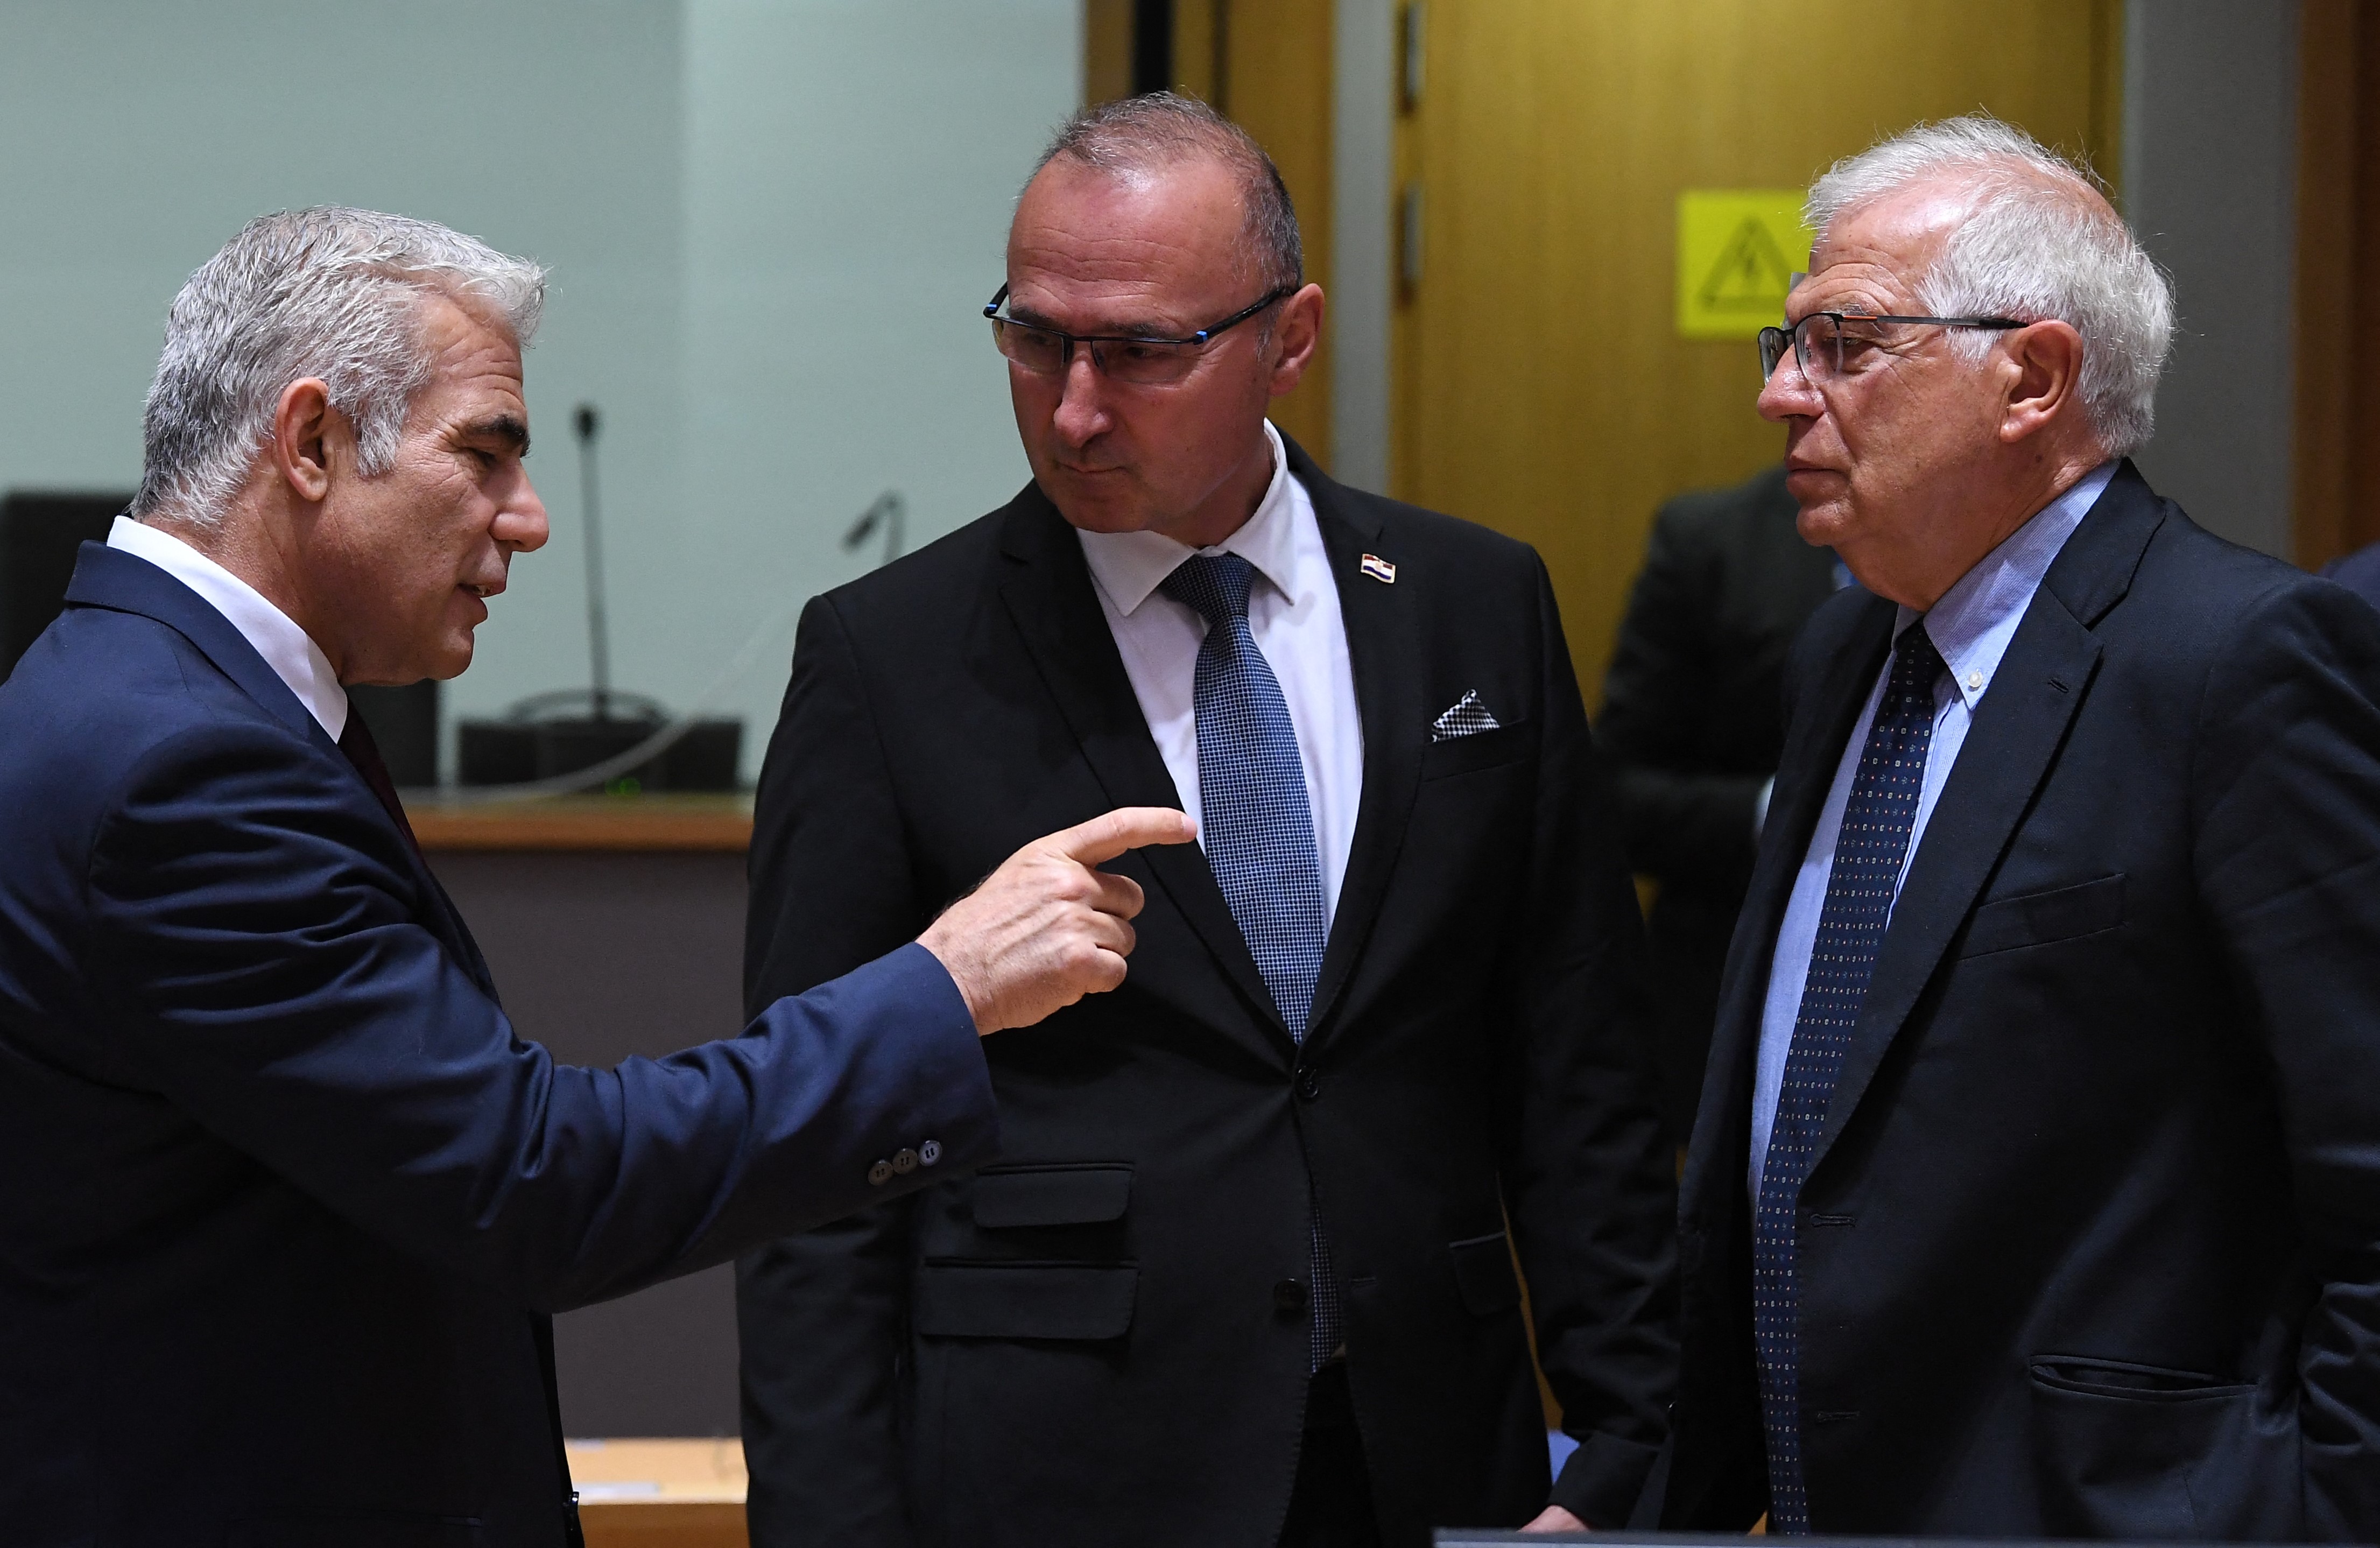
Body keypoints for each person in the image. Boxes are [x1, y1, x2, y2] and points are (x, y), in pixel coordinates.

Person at [0, 207, 1191, 1548]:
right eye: (483, 452)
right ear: (314, 442)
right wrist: (947, 984)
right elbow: (534, 1179)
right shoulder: (181, 766)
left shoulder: (132, 694)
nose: (529, 516)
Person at [734, 94, 1675, 1548]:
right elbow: (819, 1147)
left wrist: (1623, 1455)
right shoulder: (889, 655)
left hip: (1427, 1448)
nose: (1071, 407)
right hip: (1063, 1463)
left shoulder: (1469, 602)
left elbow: (1577, 1061)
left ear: (1288, 340)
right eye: (1032, 337)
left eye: (1138, 351)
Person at [1664, 116, 2380, 1540]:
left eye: (1842, 343)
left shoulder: (2236, 660)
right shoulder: (1846, 652)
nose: (1781, 394)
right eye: (1786, 343)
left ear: (2031, 378)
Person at [1596, 466, 1841, 1141]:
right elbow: (1612, 793)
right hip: (1731, 993)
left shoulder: (1983, 533)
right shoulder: (1715, 540)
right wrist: (1772, 812)